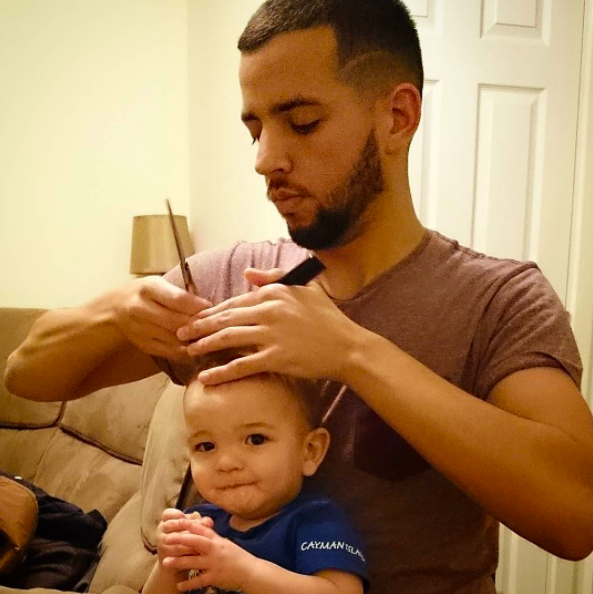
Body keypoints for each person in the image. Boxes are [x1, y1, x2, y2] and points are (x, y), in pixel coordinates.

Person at [5, 0, 593, 592]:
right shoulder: (235, 274)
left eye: (302, 121)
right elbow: (26, 375)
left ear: (397, 115)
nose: (265, 160)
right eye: (256, 128)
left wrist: (352, 352)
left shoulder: (499, 299)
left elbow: (576, 518)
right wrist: (119, 310)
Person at [142, 351, 368, 594]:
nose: (226, 463)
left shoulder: (316, 521)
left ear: (310, 451)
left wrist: (247, 574)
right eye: (206, 446)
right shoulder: (199, 521)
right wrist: (167, 565)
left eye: (255, 439)